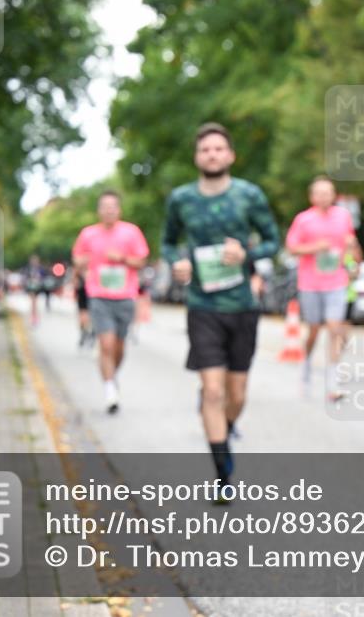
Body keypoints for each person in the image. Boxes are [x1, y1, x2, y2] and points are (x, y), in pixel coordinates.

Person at [161, 122, 280, 499]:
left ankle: (223, 427)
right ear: (197, 157)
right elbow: (167, 242)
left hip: (242, 305)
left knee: (237, 393)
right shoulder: (181, 199)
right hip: (202, 305)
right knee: (212, 391)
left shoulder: (249, 195)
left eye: (218, 149)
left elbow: (273, 241)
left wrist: (247, 253)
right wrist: (176, 263)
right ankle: (222, 472)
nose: (211, 155)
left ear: (229, 155)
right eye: (204, 150)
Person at [72, 190, 150, 414]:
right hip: (98, 295)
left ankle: (111, 376)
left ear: (119, 210)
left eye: (112, 207)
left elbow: (141, 260)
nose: (108, 210)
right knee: (105, 344)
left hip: (125, 296)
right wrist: (81, 262)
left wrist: (123, 258)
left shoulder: (131, 232)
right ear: (99, 210)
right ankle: (109, 390)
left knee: (119, 347)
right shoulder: (88, 234)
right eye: (104, 207)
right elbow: (77, 259)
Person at [285, 176, 360, 400]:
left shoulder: (343, 216)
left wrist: (352, 249)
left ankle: (332, 383)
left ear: (334, 195)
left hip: (336, 281)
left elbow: (351, 243)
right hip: (310, 282)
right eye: (320, 193)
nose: (324, 197)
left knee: (335, 328)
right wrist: (314, 247)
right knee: (314, 330)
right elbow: (291, 248)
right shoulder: (303, 220)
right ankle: (306, 367)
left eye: (328, 192)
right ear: (312, 196)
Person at [23, 254, 47, 326]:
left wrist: (39, 279)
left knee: (35, 302)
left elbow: (44, 276)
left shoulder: (40, 268)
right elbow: (25, 277)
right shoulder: (28, 269)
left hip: (37, 287)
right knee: (33, 302)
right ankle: (33, 317)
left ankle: (35, 317)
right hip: (30, 287)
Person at [73, 267, 93, 348]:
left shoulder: (94, 270)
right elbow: (76, 285)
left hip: (91, 297)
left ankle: (89, 334)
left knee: (89, 318)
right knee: (82, 318)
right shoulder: (78, 273)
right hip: (82, 297)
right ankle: (83, 333)